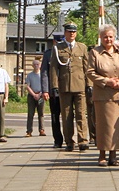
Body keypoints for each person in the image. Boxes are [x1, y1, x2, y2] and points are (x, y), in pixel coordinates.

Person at [86, 24, 119, 166]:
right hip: (103, 95)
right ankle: (102, 154)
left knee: (116, 126)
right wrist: (107, 81)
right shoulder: (95, 52)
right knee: (103, 125)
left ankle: (113, 155)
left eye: (111, 36)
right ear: (100, 37)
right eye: (105, 37)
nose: (108, 39)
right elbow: (90, 72)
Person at [48, 23, 89, 151]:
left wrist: (90, 84)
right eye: (69, 32)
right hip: (64, 87)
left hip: (80, 86)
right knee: (67, 116)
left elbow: (86, 67)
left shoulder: (82, 48)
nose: (72, 34)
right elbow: (54, 68)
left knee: (81, 114)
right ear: (65, 33)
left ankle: (83, 140)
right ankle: (69, 142)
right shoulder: (58, 48)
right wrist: (54, 85)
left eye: (74, 32)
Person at [41, 33, 64, 149]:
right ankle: (58, 140)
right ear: (54, 42)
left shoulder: (67, 52)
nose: (59, 44)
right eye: (57, 42)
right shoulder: (48, 54)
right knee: (55, 116)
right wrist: (45, 90)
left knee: (68, 116)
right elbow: (44, 73)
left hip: (67, 89)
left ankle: (69, 139)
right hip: (53, 91)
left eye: (61, 42)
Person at [25, 59, 46, 137]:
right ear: (32, 66)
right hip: (31, 96)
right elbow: (27, 86)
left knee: (41, 114)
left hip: (41, 95)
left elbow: (45, 85)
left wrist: (40, 94)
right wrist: (34, 94)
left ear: (40, 65)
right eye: (35, 64)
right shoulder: (30, 75)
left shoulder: (43, 75)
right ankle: (29, 131)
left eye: (38, 64)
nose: (36, 66)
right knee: (30, 114)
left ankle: (42, 130)